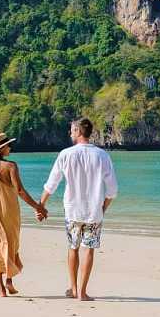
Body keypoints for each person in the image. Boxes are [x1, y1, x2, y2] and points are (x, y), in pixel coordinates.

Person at [39, 117, 118, 301]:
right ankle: (82, 292)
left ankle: (73, 289)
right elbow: (113, 190)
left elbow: (52, 184)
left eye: (72, 130)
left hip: (73, 211)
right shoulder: (102, 156)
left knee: (73, 248)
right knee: (89, 250)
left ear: (78, 131)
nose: (70, 133)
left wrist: (41, 205)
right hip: (94, 212)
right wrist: (102, 208)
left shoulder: (66, 154)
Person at [0, 132, 48, 297]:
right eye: (8, 145)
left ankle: (0, 289)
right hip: (8, 208)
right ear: (1, 149)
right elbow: (20, 191)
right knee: (10, 242)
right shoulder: (11, 166)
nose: (10, 148)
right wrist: (38, 207)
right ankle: (9, 280)